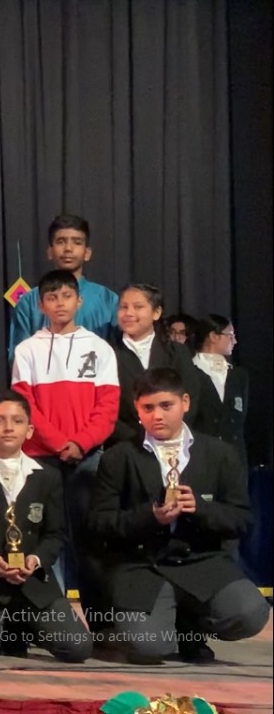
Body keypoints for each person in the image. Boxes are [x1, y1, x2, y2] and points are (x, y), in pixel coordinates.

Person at [90, 368, 270, 664]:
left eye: (166, 405)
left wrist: (201, 508)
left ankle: (190, 627)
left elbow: (241, 519)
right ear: (136, 409)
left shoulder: (220, 454)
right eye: (148, 408)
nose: (157, 416)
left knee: (250, 613)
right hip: (142, 565)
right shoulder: (119, 457)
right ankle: (166, 629)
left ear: (185, 402)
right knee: (149, 648)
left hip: (200, 562)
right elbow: (101, 522)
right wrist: (150, 516)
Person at [0, 391, 91, 662]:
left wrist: (35, 560)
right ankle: (0, 626)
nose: (8, 427)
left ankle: (22, 625)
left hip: (32, 580)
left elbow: (56, 534)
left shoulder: (47, 477)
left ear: (30, 430)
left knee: (78, 647)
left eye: (17, 421)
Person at [10, 268, 119, 628]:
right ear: (40, 305)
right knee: (43, 541)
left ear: (79, 301)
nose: (60, 303)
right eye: (52, 297)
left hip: (88, 458)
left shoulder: (100, 349)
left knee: (91, 541)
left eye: (66, 296)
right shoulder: (27, 350)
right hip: (42, 458)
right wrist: (59, 443)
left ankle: (100, 624)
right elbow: (26, 406)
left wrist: (81, 442)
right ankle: (51, 623)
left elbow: (108, 408)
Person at [9, 214, 119, 358]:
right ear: (50, 252)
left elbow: (117, 356)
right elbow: (19, 357)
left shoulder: (108, 300)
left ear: (87, 253)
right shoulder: (29, 302)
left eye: (77, 242)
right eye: (61, 242)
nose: (68, 248)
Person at [107, 284, 201, 447]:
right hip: (125, 444)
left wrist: (170, 433)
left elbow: (191, 396)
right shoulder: (106, 352)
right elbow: (103, 407)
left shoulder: (176, 352)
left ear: (156, 312)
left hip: (173, 443)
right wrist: (136, 439)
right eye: (123, 307)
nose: (129, 313)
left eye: (138, 307)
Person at [190, 314, 249, 470]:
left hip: (234, 459)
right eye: (230, 335)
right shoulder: (189, 372)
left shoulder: (239, 376)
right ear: (213, 336)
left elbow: (240, 420)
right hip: (200, 458)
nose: (234, 341)